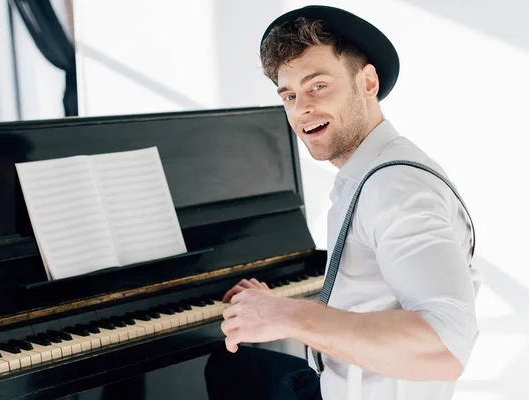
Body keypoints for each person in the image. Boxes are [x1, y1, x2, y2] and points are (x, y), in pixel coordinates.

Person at [204, 5, 481, 400]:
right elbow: (369, 298)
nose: (301, 109)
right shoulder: (367, 173)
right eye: (289, 95)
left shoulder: (396, 189)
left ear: (367, 83)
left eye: (318, 86)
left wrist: (289, 315)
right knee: (236, 366)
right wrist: (275, 304)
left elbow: (446, 346)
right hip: (336, 385)